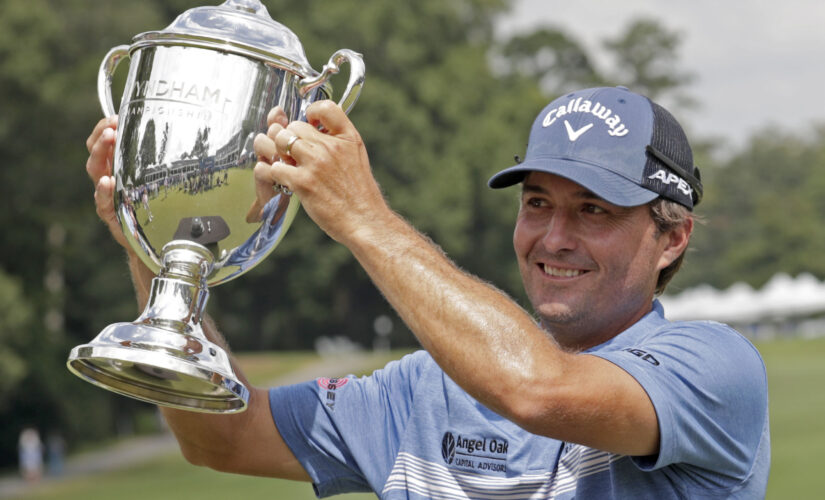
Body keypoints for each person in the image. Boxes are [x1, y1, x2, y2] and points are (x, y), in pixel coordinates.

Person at [86, 86, 769, 498]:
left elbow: (538, 391)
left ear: (670, 239)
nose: (554, 236)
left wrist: (362, 217)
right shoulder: (423, 389)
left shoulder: (713, 366)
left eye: (594, 211)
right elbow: (224, 440)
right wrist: (156, 244)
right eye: (537, 203)